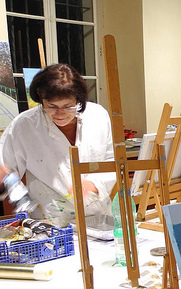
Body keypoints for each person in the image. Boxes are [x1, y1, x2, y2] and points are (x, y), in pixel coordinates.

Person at [0, 63, 115, 221]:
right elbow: (5, 170)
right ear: (41, 98)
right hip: (50, 220)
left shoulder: (98, 116)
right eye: (51, 106)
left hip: (98, 216)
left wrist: (93, 184)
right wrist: (3, 180)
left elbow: (111, 162)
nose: (60, 114)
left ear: (79, 99)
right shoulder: (24, 125)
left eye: (68, 107)